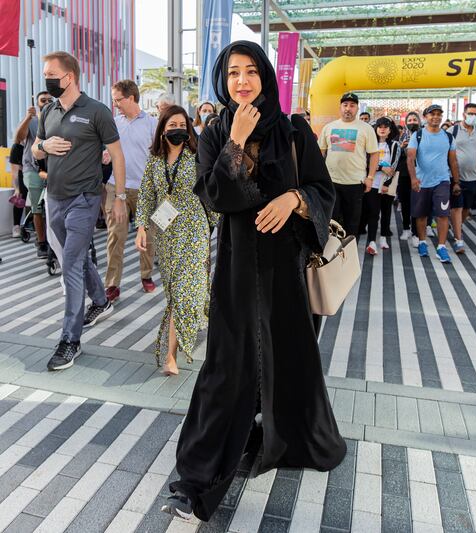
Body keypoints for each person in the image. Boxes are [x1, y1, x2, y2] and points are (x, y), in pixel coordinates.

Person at [164, 41, 345, 521]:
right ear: (223, 81)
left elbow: (323, 190)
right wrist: (235, 143)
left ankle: (288, 437)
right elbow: (216, 197)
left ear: (266, 75)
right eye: (231, 74)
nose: (241, 81)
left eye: (250, 72)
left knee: (287, 353)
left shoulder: (293, 129)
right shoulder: (215, 131)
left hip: (286, 267)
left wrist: (295, 201)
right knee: (229, 364)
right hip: (238, 265)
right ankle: (195, 480)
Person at [32, 51, 126, 370]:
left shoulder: (97, 111)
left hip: (85, 199)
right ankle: (100, 301)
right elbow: (34, 147)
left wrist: (120, 197)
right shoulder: (48, 111)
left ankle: (70, 340)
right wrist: (44, 147)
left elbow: (117, 154)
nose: (46, 79)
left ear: (69, 77)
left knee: (71, 263)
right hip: (54, 198)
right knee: (76, 258)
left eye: (51, 74)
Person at [135, 105, 217, 375]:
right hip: (167, 233)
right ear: (162, 130)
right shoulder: (155, 162)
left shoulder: (197, 155)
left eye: (182, 125)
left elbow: (213, 187)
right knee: (174, 293)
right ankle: (176, 344)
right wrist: (142, 227)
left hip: (194, 230)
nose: (178, 130)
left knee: (187, 292)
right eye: (172, 126)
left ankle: (171, 354)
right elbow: (147, 194)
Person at [104, 79, 159, 302]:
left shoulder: (152, 124)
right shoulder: (113, 124)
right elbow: (105, 151)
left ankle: (146, 276)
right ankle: (112, 284)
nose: (115, 104)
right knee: (115, 235)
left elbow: (160, 156)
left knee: (148, 236)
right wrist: (104, 155)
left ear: (131, 98)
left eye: (118, 99)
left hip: (145, 189)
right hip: (115, 187)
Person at [318, 93, 379, 239]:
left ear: (357, 108)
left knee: (352, 223)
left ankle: (350, 255)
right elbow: (320, 153)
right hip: (331, 182)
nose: (348, 109)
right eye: (345, 105)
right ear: (340, 107)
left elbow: (374, 154)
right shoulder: (329, 127)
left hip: (355, 183)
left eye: (352, 105)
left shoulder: (366, 129)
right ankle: (331, 254)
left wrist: (370, 177)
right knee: (331, 221)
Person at [407, 104, 461, 263]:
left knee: (443, 215)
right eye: (432, 114)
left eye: (439, 114)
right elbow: (410, 158)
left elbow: (453, 161)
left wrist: (456, 182)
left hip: (442, 181)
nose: (436, 117)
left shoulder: (448, 137)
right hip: (421, 182)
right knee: (421, 214)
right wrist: (413, 179)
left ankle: (441, 247)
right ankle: (422, 242)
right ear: (425, 117)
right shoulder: (417, 135)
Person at [13, 91, 51, 256]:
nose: (47, 102)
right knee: (38, 209)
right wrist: (28, 117)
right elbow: (18, 138)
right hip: (33, 171)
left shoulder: (58, 121)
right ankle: (41, 243)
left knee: (53, 209)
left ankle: (53, 242)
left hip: (53, 172)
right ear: (38, 103)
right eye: (43, 100)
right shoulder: (32, 121)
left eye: (51, 99)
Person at [450, 103, 476, 254]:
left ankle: (458, 227)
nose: (474, 117)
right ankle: (458, 239)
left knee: (466, 208)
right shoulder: (454, 130)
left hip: (473, 177)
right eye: (471, 113)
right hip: (455, 176)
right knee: (457, 206)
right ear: (464, 114)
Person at [365, 117, 401, 255]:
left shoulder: (394, 145)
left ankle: (383, 238)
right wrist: (380, 167)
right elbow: (367, 163)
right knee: (373, 213)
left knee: (386, 212)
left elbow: (394, 165)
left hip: (388, 185)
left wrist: (386, 183)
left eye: (385, 127)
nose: (382, 129)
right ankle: (372, 241)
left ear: (390, 130)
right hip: (372, 184)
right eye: (379, 126)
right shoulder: (369, 144)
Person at [397, 111, 420, 243]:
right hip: (404, 174)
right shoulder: (401, 136)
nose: (412, 122)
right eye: (410, 120)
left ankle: (416, 232)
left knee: (417, 203)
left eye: (414, 120)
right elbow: (395, 155)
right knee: (405, 202)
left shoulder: (424, 135)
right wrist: (401, 147)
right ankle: (406, 228)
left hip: (420, 174)